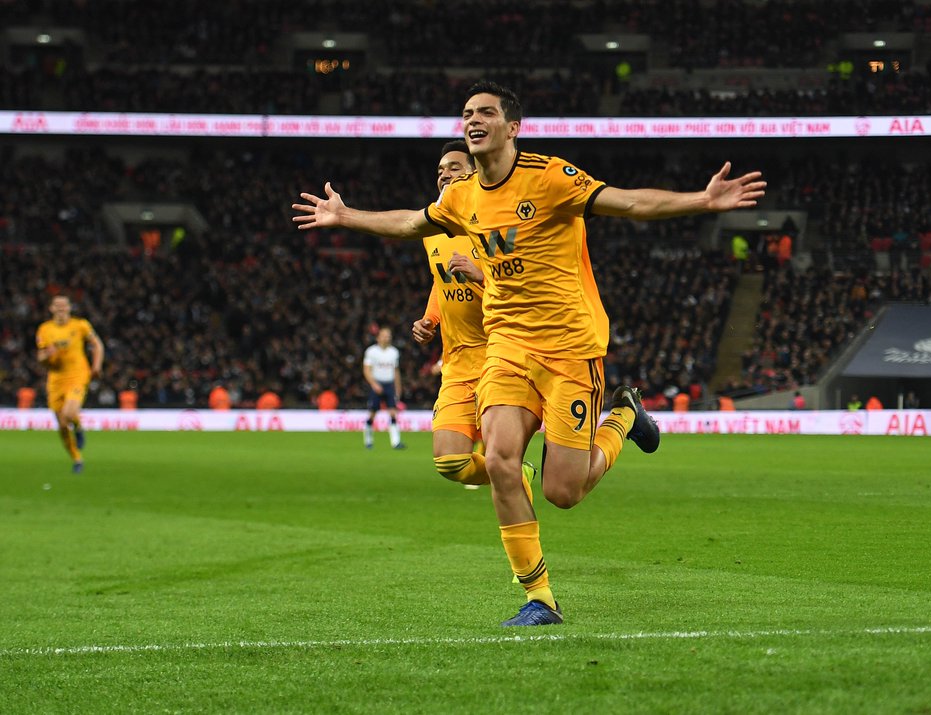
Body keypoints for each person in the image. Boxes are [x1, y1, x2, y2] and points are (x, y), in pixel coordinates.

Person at [294, 80, 765, 627]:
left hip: (569, 349)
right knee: (497, 460)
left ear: (512, 127)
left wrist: (703, 201)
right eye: (467, 113)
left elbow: (630, 202)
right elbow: (408, 222)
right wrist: (347, 216)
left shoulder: (549, 177)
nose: (473, 120)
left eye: (486, 112)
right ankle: (539, 599)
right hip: (508, 348)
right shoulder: (461, 196)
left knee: (563, 492)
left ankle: (625, 417)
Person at [410, 140, 536, 493]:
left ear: (475, 171)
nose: (444, 175)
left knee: (499, 455)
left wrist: (482, 274)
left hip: (502, 356)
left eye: (453, 167)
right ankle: (518, 473)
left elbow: (524, 288)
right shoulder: (432, 229)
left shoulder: (499, 223)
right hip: (457, 363)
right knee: (449, 462)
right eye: (439, 170)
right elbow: (441, 280)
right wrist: (430, 319)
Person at [35, 294, 104, 473]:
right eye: (56, 305)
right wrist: (47, 356)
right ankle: (77, 459)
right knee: (62, 424)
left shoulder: (80, 325)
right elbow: (41, 359)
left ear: (69, 307)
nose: (60, 308)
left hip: (77, 375)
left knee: (69, 412)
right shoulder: (44, 330)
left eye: (63, 305)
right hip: (56, 380)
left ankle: (79, 427)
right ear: (51, 308)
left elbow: (97, 344)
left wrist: (96, 366)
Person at [363, 327, 405, 450]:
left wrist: (398, 388)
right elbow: (366, 370)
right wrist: (374, 384)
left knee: (393, 413)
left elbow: (396, 371)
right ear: (378, 337)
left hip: (389, 385)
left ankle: (395, 442)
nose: (387, 337)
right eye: (385, 335)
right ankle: (368, 441)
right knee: (372, 413)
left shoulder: (394, 352)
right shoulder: (371, 351)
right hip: (376, 384)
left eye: (389, 335)